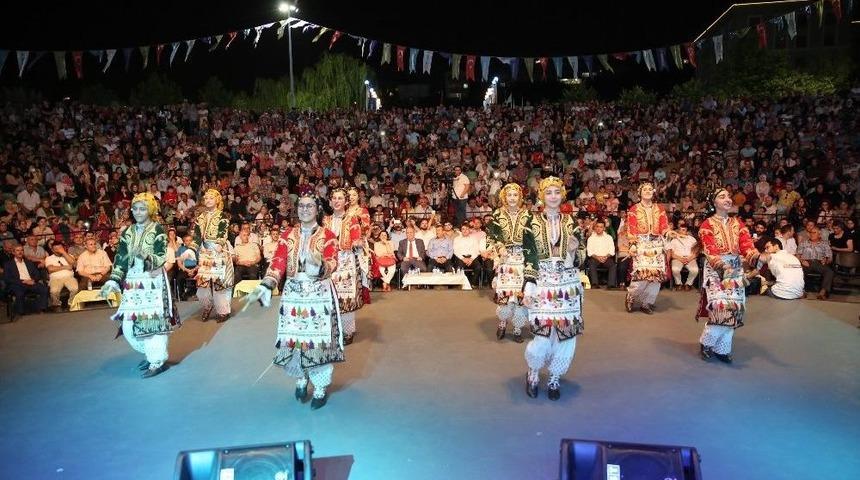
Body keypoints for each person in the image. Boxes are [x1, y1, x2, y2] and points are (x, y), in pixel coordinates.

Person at [244, 194, 342, 410]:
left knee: (318, 342)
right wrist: (266, 284)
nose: (304, 209)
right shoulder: (287, 235)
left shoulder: (329, 236)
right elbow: (278, 261)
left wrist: (319, 265)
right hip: (294, 294)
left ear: (317, 209)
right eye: (301, 206)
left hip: (319, 296)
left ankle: (319, 387)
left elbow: (332, 262)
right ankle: (301, 377)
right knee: (295, 340)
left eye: (309, 206)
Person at [100, 193, 180, 379]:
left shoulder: (158, 230)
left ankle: (157, 359)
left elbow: (160, 258)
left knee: (152, 323)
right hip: (133, 283)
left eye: (142, 208)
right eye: (135, 208)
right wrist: (113, 280)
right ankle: (150, 353)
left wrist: (143, 255)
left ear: (150, 210)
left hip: (153, 282)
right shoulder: (128, 232)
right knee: (129, 325)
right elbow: (120, 258)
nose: (137, 212)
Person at [521, 177, 582, 401]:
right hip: (543, 282)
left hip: (567, 284)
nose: (553, 196)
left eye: (557, 192)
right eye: (549, 193)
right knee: (543, 334)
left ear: (563, 194)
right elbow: (528, 256)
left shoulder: (572, 223)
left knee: (566, 334)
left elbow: (581, 254)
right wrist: (528, 287)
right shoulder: (532, 222)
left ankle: (555, 375)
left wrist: (574, 251)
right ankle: (534, 371)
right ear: (541, 196)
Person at [696, 188, 758, 364]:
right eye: (722, 197)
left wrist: (757, 257)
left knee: (735, 308)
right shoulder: (706, 225)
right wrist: (722, 267)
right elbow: (709, 249)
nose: (728, 199)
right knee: (721, 308)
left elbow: (746, 244)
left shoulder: (738, 223)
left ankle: (722, 349)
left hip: (735, 267)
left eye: (729, 196)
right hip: (717, 269)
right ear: (714, 203)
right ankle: (706, 343)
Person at [487, 183, 531, 342]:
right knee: (505, 296)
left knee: (520, 297)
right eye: (509, 195)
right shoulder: (497, 214)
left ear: (520, 197)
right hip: (506, 261)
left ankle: (518, 329)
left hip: (522, 261)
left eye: (515, 195)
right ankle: (503, 323)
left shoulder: (527, 215)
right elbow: (491, 236)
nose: (512, 198)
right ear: (504, 197)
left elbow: (531, 239)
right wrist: (500, 248)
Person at [322, 188, 364, 345]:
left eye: (340, 198)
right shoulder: (325, 221)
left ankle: (347, 331)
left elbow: (357, 239)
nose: (337, 200)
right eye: (334, 198)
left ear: (346, 202)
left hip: (346, 262)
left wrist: (358, 243)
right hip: (328, 263)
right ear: (330, 201)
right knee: (329, 297)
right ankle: (331, 328)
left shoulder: (352, 220)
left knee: (345, 297)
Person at [625, 182, 674, 314]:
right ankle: (631, 296)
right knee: (641, 274)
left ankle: (646, 302)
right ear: (639, 193)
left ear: (653, 192)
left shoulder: (660, 208)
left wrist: (668, 232)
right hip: (641, 243)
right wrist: (633, 244)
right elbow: (631, 228)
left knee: (656, 277)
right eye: (644, 189)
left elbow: (664, 226)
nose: (647, 191)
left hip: (657, 244)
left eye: (650, 189)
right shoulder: (634, 209)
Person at [190, 189, 234, 322]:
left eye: (211, 198)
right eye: (206, 198)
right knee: (202, 283)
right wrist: (192, 249)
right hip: (205, 252)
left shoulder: (223, 216)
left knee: (219, 283)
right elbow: (197, 236)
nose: (208, 200)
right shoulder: (200, 217)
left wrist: (220, 244)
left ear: (217, 200)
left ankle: (223, 311)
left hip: (219, 252)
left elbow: (223, 233)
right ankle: (207, 306)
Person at [2, 243, 49, 319]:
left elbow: (37, 274)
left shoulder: (29, 262)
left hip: (30, 282)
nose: (20, 252)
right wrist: (22, 282)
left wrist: (33, 280)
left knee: (44, 289)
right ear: (13, 252)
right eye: (17, 250)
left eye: (21, 250)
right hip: (18, 284)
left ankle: (42, 309)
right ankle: (21, 314)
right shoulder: (8, 264)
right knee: (19, 292)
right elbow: (7, 278)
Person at [796, 227, 834, 300]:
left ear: (819, 235)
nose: (812, 234)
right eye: (811, 232)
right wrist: (801, 261)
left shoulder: (825, 244)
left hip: (819, 263)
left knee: (829, 272)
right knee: (798, 270)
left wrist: (826, 260)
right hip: (806, 262)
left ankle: (822, 293)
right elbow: (797, 255)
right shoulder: (803, 243)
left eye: (814, 233)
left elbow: (830, 258)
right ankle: (801, 291)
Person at [44, 242, 79, 311]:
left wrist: (63, 252)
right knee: (54, 291)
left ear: (63, 248)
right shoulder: (49, 258)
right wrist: (66, 267)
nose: (58, 250)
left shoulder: (69, 256)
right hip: (55, 278)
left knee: (74, 288)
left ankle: (71, 303)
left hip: (69, 277)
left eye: (60, 248)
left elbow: (74, 264)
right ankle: (57, 305)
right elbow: (50, 269)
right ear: (52, 250)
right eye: (56, 249)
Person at [585, 218, 617, 289]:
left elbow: (612, 251)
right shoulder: (591, 238)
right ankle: (595, 284)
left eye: (601, 227)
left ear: (604, 228)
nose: (599, 229)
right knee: (591, 263)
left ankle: (611, 285)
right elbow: (590, 252)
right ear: (595, 227)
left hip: (606, 258)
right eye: (597, 227)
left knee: (613, 265)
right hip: (595, 258)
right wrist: (598, 257)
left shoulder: (609, 238)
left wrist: (606, 257)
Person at [668, 222, 699, 290]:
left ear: (687, 231)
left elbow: (696, 252)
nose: (683, 231)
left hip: (690, 258)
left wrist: (690, 258)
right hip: (677, 258)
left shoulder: (692, 239)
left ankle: (688, 283)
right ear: (678, 230)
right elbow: (672, 253)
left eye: (684, 230)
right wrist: (680, 258)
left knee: (695, 270)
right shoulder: (674, 240)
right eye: (681, 229)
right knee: (675, 269)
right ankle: (679, 283)